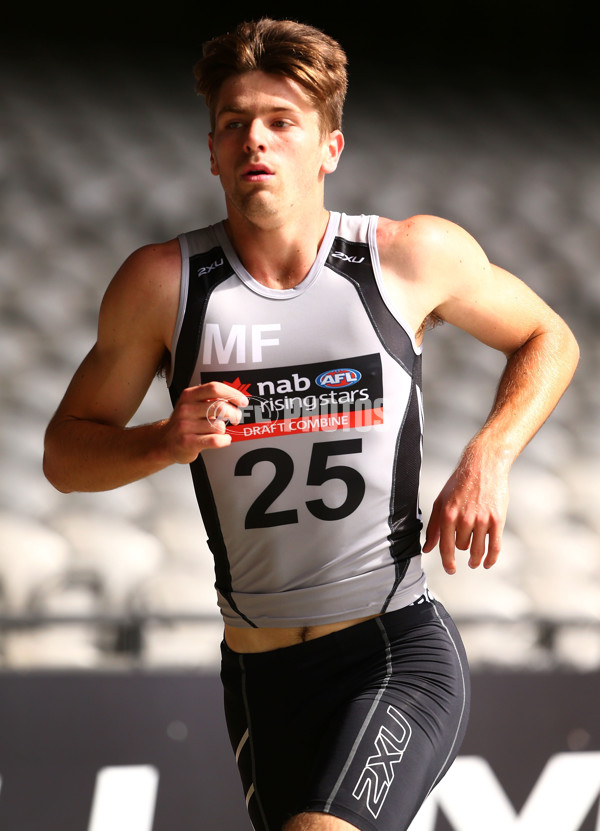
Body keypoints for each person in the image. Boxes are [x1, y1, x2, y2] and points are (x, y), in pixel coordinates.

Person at [43, 17, 579, 831]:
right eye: (234, 123)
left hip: (393, 649)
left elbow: (551, 336)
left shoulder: (408, 256)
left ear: (329, 147)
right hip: (261, 679)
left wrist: (489, 455)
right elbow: (63, 456)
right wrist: (163, 440)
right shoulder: (163, 285)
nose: (254, 139)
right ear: (212, 151)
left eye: (281, 122)